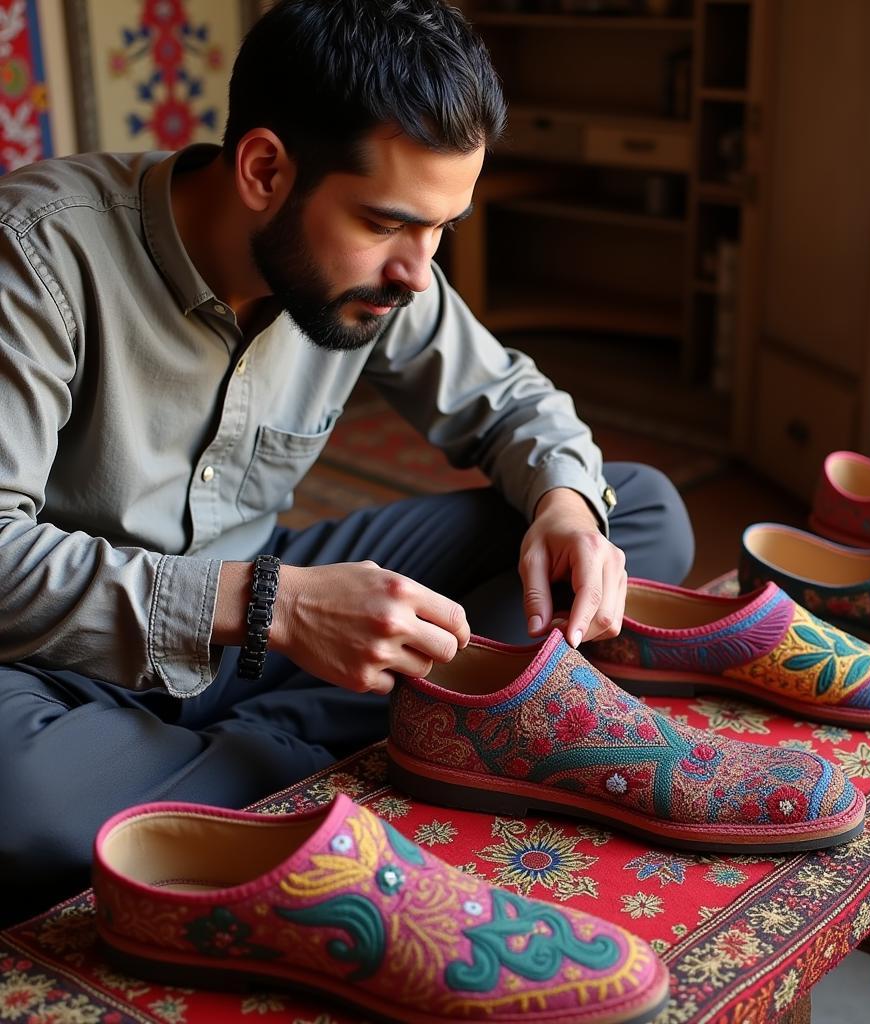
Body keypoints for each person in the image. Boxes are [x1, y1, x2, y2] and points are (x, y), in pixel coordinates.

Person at [0, 0, 693, 926]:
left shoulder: (385, 273)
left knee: (628, 513)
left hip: (260, 649)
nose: (419, 270)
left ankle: (245, 780)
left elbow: (512, 403)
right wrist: (274, 605)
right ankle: (371, 749)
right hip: (55, 663)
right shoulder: (38, 254)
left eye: (442, 227)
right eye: (389, 222)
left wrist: (566, 503)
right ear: (264, 169)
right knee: (24, 809)